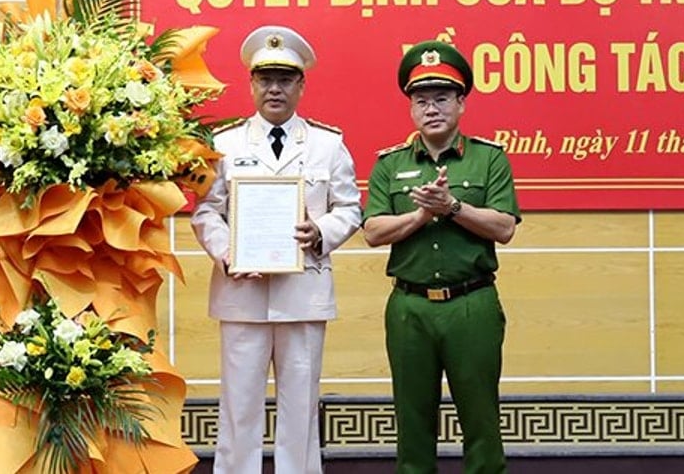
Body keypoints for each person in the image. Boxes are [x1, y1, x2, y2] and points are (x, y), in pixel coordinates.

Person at [191, 25, 362, 473]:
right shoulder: (224, 145)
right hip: (241, 294)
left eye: (285, 79)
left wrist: (320, 232)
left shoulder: (329, 145)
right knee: (238, 408)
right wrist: (226, 250)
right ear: (251, 84)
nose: (274, 89)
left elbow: (349, 207)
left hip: (302, 296)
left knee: (300, 410)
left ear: (301, 85)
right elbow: (206, 211)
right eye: (265, 79)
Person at [362, 40, 521, 473]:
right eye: (421, 100)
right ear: (411, 108)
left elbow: (504, 228)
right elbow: (373, 232)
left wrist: (452, 207)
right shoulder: (389, 165)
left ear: (461, 103)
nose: (431, 108)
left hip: (473, 305)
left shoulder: (489, 159)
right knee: (412, 423)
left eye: (442, 98)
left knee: (482, 422)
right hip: (409, 308)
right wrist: (420, 214)